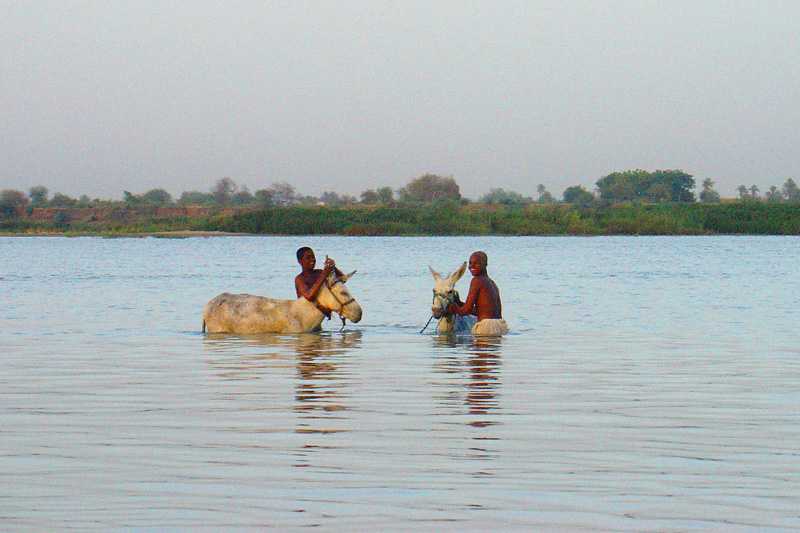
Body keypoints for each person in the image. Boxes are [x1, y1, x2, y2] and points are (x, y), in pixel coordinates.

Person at [448, 251, 509, 335]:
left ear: (485, 265)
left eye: (476, 263)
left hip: (486, 328)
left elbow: (466, 311)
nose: (471, 266)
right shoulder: (492, 283)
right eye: (470, 263)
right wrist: (460, 303)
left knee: (471, 347)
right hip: (500, 326)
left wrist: (454, 308)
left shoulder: (476, 280)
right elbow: (482, 311)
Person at [294, 247, 344, 312]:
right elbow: (309, 296)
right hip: (305, 317)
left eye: (313, 257)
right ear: (300, 261)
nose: (312, 260)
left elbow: (342, 280)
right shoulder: (299, 279)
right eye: (308, 258)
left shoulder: (319, 273)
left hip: (318, 317)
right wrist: (324, 274)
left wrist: (333, 267)